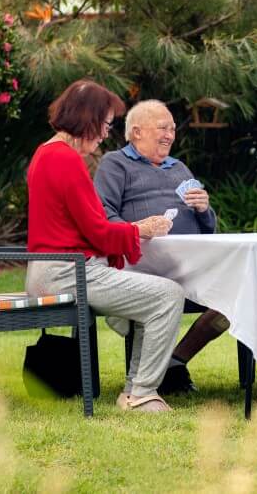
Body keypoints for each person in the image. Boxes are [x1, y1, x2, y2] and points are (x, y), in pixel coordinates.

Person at [25, 80, 184, 413]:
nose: (104, 135)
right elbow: (97, 231)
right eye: (105, 125)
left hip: (52, 270)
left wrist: (130, 230)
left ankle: (136, 390)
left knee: (152, 293)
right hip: (68, 274)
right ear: (88, 119)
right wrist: (140, 229)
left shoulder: (44, 153)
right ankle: (140, 393)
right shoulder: (65, 159)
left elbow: (83, 228)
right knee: (169, 295)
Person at [94, 99, 226, 394]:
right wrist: (139, 230)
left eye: (172, 129)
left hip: (189, 263)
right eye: (163, 129)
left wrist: (204, 209)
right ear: (137, 132)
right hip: (142, 264)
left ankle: (175, 361)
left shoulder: (178, 167)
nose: (169, 135)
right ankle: (158, 372)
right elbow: (105, 216)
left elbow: (209, 229)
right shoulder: (115, 164)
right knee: (161, 295)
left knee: (235, 296)